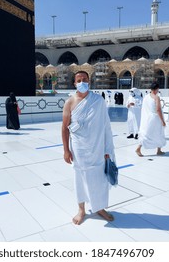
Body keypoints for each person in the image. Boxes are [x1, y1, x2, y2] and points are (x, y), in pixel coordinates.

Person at [62, 71, 115, 225]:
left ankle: (99, 208)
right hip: (79, 149)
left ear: (89, 81)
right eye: (79, 80)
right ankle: (81, 209)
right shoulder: (70, 102)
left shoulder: (98, 101)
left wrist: (107, 149)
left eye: (84, 79)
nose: (82, 82)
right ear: (74, 83)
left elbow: (106, 126)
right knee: (80, 178)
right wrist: (66, 150)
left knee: (98, 179)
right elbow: (64, 128)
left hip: (97, 147)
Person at [135, 82, 166, 157]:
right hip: (156, 118)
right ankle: (139, 148)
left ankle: (158, 150)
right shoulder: (156, 97)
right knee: (159, 133)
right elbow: (158, 109)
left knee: (147, 134)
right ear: (157, 89)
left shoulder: (146, 97)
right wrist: (162, 121)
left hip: (148, 118)